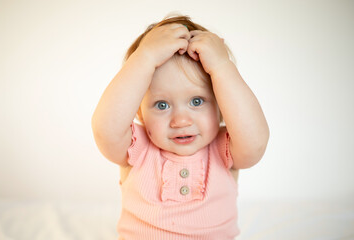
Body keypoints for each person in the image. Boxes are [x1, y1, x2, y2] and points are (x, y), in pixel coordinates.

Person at [91, 14, 270, 240]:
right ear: (137, 110)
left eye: (197, 101)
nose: (181, 121)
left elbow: (257, 142)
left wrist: (223, 67)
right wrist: (144, 58)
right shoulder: (137, 147)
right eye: (162, 104)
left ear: (222, 104)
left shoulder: (227, 149)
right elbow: (105, 129)